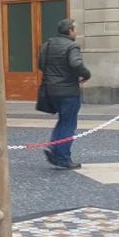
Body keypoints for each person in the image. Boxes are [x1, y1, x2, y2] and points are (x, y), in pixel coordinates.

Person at [38, 18, 91, 170]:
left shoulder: (47, 45)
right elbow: (76, 63)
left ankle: (53, 148)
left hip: (50, 90)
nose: (76, 32)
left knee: (63, 121)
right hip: (68, 91)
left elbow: (41, 64)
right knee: (68, 123)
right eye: (75, 29)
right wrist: (86, 74)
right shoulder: (72, 45)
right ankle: (62, 157)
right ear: (69, 31)